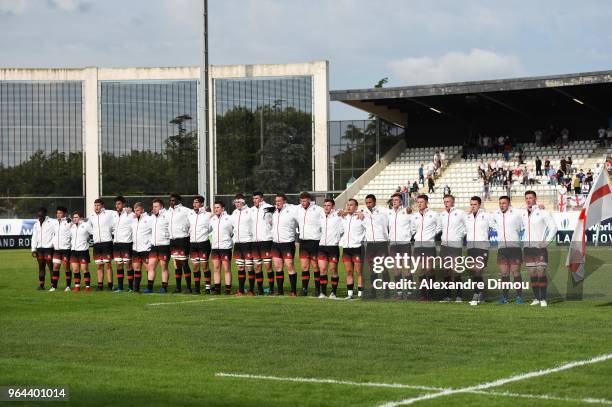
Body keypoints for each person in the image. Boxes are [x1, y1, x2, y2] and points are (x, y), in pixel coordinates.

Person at [521, 191, 557, 307]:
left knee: (541, 272)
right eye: (526, 198)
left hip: (540, 247)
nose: (528, 200)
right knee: (532, 274)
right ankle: (536, 298)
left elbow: (554, 227)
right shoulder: (522, 213)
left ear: (535, 198)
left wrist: (546, 241)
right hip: (528, 248)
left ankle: (543, 299)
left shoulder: (543, 212)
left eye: (530, 198)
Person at [492, 196, 524, 304]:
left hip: (514, 248)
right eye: (500, 203)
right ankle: (504, 298)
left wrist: (538, 207)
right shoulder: (496, 214)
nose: (502, 205)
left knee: (516, 272)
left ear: (509, 203)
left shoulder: (517, 213)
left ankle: (519, 297)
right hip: (502, 248)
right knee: (504, 273)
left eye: (504, 203)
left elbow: (528, 212)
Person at [410, 194, 441, 301]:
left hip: (429, 246)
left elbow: (439, 228)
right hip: (418, 246)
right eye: (418, 202)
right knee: (420, 270)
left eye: (421, 202)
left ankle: (431, 294)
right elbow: (413, 229)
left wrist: (430, 237)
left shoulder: (434, 214)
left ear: (426, 202)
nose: (419, 204)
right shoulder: (415, 216)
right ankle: (423, 294)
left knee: (430, 270)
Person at [466, 196, 495, 306]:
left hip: (482, 247)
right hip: (470, 248)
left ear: (480, 205)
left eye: (475, 204)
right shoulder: (467, 217)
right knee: (473, 272)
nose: (473, 206)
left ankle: (476, 294)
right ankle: (481, 294)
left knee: (478, 271)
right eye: (471, 204)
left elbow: (497, 224)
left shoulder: (486, 216)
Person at [296, 191, 325, 296]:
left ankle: (318, 289)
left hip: (314, 242)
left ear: (309, 200)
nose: (302, 203)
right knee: (304, 267)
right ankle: (304, 289)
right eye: (301, 201)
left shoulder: (318, 210)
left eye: (304, 201)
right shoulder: (298, 209)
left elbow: (328, 212)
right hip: (303, 242)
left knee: (315, 266)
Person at [439, 194, 467, 302]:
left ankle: (459, 296)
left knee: (456, 271)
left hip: (455, 246)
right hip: (444, 246)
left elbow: (467, 225)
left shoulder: (460, 213)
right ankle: (448, 296)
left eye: (448, 201)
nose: (446, 203)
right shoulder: (441, 215)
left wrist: (460, 236)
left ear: (453, 202)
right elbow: (439, 227)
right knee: (446, 271)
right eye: (445, 201)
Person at [271, 194, 299, 296]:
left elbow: (301, 215)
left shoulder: (292, 210)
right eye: (276, 201)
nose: (277, 203)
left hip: (287, 243)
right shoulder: (273, 211)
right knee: (278, 267)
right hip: (275, 243)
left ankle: (293, 291)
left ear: (284, 201)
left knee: (290, 266)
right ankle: (280, 291)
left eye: (279, 201)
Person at [387, 193, 412, 299]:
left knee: (406, 269)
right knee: (396, 269)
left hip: (405, 244)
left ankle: (410, 293)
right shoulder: (388, 213)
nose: (394, 201)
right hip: (393, 244)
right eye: (393, 200)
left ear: (401, 201)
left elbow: (414, 224)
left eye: (397, 200)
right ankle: (399, 292)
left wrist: (409, 236)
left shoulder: (406, 211)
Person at [339, 199, 366, 300]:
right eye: (348, 205)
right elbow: (337, 212)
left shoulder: (361, 217)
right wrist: (344, 212)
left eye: (351, 205)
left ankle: (360, 293)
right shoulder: (343, 217)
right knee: (349, 271)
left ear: (356, 206)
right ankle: (350, 293)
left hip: (357, 247)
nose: (349, 207)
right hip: (346, 248)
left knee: (359, 271)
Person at [317, 198, 343, 298]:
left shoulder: (338, 216)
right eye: (325, 205)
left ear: (332, 206)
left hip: (333, 247)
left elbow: (342, 230)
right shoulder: (321, 217)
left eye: (328, 205)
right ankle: (323, 293)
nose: (326, 207)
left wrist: (336, 239)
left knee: (333, 270)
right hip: (322, 247)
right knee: (323, 269)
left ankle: (333, 292)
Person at [167, 194, 192, 294]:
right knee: (176, 265)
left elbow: (194, 220)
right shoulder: (168, 211)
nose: (171, 202)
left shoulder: (185, 210)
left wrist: (186, 231)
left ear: (179, 201)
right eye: (170, 200)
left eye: (173, 200)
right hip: (173, 240)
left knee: (184, 263)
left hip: (183, 239)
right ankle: (178, 288)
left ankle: (189, 288)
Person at [144, 199, 171, 294]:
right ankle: (149, 287)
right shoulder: (152, 217)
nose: (154, 208)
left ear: (161, 207)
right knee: (151, 266)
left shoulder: (167, 215)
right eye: (153, 206)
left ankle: (164, 287)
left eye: (156, 206)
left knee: (164, 266)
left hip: (164, 245)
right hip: (154, 246)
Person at [250, 192, 274, 295]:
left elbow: (276, 216)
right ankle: (260, 290)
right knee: (257, 267)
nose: (255, 200)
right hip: (255, 241)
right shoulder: (251, 210)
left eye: (256, 198)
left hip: (266, 241)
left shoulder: (269, 207)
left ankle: (272, 289)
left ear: (261, 198)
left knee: (268, 266)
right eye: (253, 198)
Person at [230, 193, 254, 296]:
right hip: (238, 244)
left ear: (243, 202)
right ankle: (240, 290)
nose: (237, 204)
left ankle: (251, 290)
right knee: (240, 267)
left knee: (250, 267)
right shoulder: (234, 213)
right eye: (235, 202)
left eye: (239, 202)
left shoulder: (250, 211)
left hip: (248, 242)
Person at [188, 195, 212, 295]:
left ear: (201, 204)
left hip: (203, 243)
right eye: (194, 202)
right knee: (195, 266)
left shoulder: (208, 215)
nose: (194, 204)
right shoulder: (190, 214)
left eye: (197, 202)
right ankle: (197, 289)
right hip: (193, 244)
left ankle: (208, 288)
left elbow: (212, 228)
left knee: (204, 265)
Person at [89, 198, 115, 291]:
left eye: (98, 205)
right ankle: (100, 286)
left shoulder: (109, 213)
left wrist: (126, 210)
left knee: (108, 265)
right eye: (95, 205)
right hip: (97, 244)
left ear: (102, 206)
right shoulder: (91, 215)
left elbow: (120, 213)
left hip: (107, 242)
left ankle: (110, 285)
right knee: (99, 266)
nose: (96, 207)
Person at [210, 201, 234, 295]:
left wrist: (228, 240)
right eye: (215, 207)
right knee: (216, 268)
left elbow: (233, 231)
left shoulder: (229, 218)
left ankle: (228, 290)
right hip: (215, 247)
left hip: (225, 247)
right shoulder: (212, 219)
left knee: (227, 268)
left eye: (218, 207)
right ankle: (217, 289)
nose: (216, 209)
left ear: (223, 208)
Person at [111, 196, 134, 292]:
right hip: (116, 243)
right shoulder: (113, 215)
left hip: (126, 243)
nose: (117, 205)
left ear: (123, 204)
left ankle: (131, 287)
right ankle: (120, 287)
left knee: (128, 265)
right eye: (116, 204)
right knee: (119, 265)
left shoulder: (130, 214)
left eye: (119, 203)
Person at [69, 210, 93, 292]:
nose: (75, 219)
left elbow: (93, 233)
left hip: (83, 251)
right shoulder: (71, 226)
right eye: (74, 217)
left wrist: (89, 239)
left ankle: (87, 287)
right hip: (74, 251)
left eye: (76, 217)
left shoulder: (86, 225)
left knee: (84, 269)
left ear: (81, 218)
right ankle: (77, 286)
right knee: (75, 269)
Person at [31, 207, 54, 290]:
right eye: (38, 216)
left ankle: (53, 285)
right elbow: (34, 237)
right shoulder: (36, 224)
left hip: (49, 249)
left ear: (45, 215)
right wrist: (33, 249)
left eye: (41, 216)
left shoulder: (52, 222)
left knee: (51, 267)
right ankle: (41, 285)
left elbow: (60, 225)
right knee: (41, 267)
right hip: (39, 249)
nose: (39, 218)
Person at [130, 202, 152, 293]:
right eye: (135, 210)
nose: (136, 212)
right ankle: (136, 288)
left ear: (142, 210)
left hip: (146, 249)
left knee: (148, 268)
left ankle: (149, 287)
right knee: (137, 268)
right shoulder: (133, 220)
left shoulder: (149, 219)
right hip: (135, 248)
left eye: (138, 210)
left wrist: (150, 243)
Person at [50, 206, 72, 292]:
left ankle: (68, 286)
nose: (58, 215)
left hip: (66, 249)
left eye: (60, 213)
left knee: (66, 267)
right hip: (57, 249)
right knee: (55, 267)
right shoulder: (54, 222)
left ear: (64, 214)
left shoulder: (69, 222)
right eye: (57, 213)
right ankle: (54, 286)